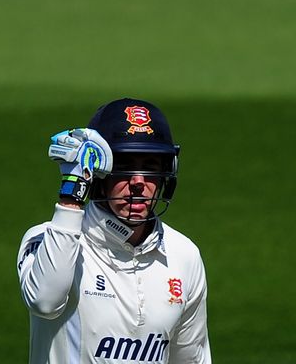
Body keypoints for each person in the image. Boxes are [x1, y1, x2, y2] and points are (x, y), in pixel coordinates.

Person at [17, 98, 212, 363]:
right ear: (98, 173)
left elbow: (191, 359)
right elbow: (44, 302)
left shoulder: (184, 255)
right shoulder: (45, 239)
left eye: (150, 167)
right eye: (123, 165)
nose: (138, 182)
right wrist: (72, 195)